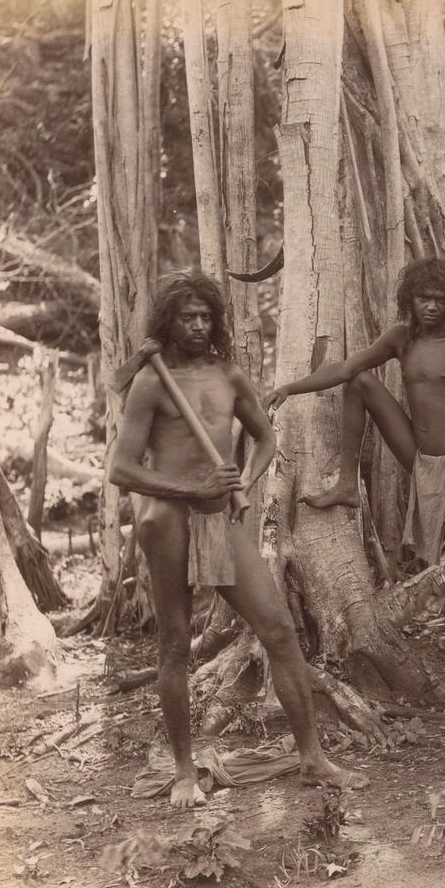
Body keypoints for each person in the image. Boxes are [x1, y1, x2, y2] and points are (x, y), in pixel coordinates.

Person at [107, 270, 368, 809]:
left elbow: (266, 436)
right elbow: (122, 468)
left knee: (278, 629)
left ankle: (313, 759)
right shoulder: (152, 381)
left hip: (218, 521)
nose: (198, 326)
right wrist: (190, 484)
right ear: (169, 322)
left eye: (206, 317)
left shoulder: (228, 375)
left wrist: (243, 481)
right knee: (175, 644)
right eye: (187, 317)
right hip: (168, 520)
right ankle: (184, 770)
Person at [262, 259, 445, 702]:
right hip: (418, 454)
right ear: (410, 299)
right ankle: (348, 484)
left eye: (440, 299)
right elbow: (346, 369)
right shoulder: (401, 338)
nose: (431, 307)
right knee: (360, 384)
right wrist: (291, 387)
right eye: (423, 298)